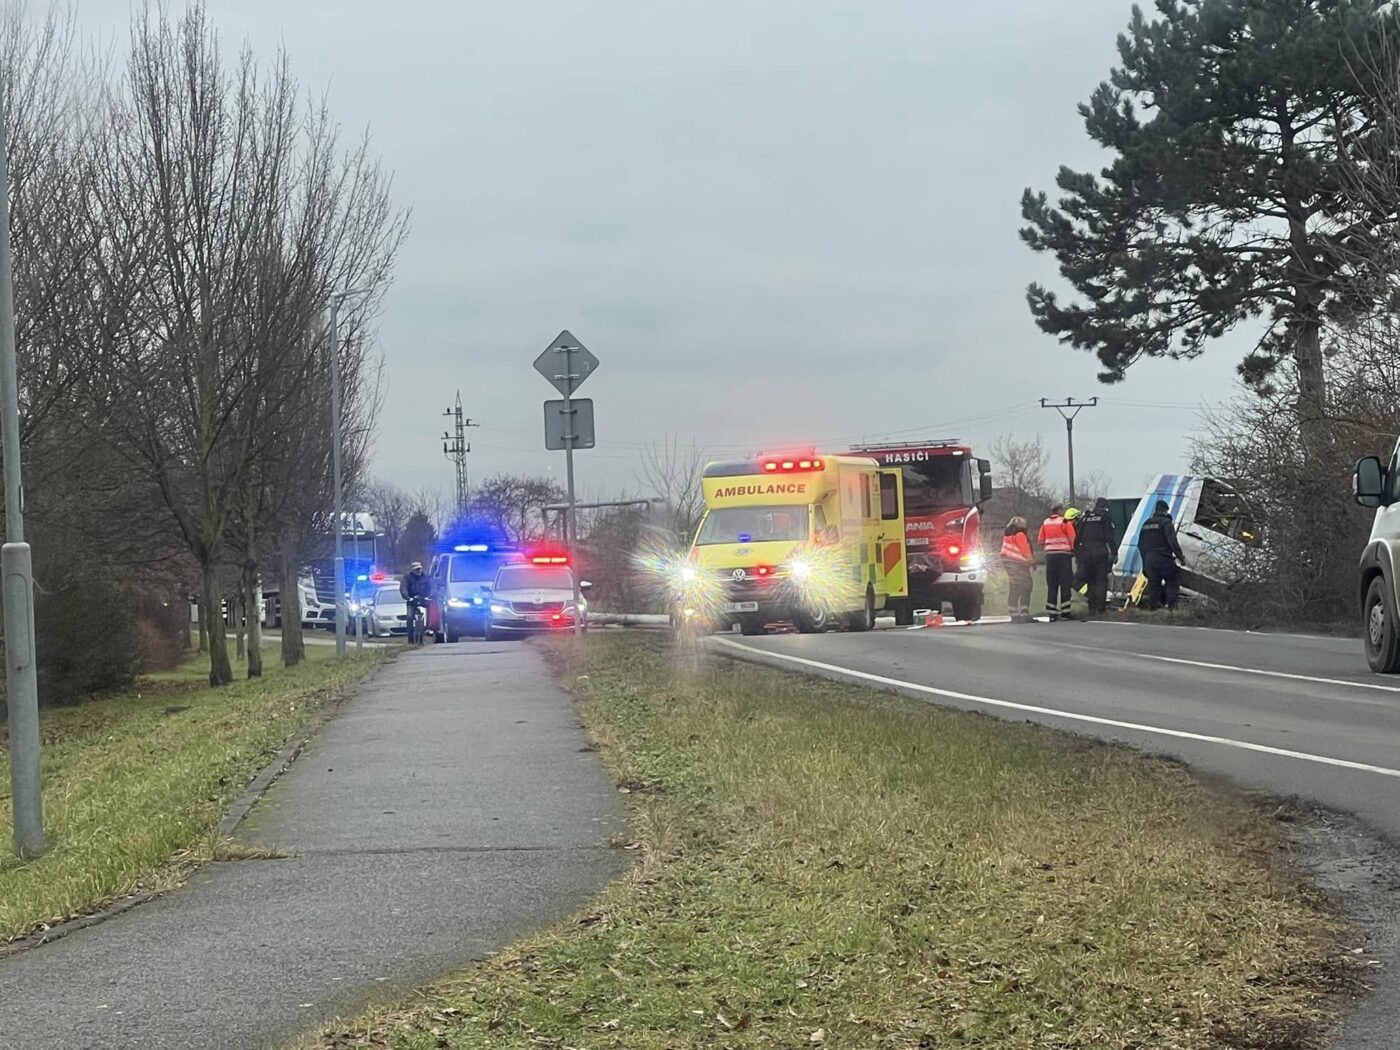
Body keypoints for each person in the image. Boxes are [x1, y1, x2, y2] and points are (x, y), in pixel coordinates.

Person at [1137, 499, 1186, 608]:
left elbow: (1140, 545)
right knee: (1172, 581)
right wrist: (1181, 557)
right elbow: (1172, 541)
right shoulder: (1166, 523)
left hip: (1150, 560)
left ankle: (1153, 610)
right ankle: (1172, 609)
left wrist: (1145, 562)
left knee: (1154, 586)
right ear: (1165, 510)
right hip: (1164, 559)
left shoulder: (1146, 524)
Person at [1074, 497, 1118, 614]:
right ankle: (1100, 609)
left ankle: (1091, 608)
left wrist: (1078, 555)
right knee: (1101, 581)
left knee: (1090, 581)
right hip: (1099, 553)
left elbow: (1077, 537)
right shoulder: (1104, 517)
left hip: (1085, 554)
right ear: (1104, 507)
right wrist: (1114, 553)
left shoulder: (1086, 517)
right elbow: (1110, 537)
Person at [1038, 504, 1076, 621]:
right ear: (1059, 511)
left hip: (1050, 556)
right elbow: (1072, 537)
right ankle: (1065, 612)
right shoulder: (1065, 522)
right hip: (1064, 555)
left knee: (1052, 584)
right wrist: (1072, 548)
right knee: (1065, 583)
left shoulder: (1045, 523)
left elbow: (1040, 540)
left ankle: (1052, 613)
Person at [1000, 516, 1035, 623]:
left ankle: (1014, 614)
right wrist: (1032, 562)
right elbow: (1025, 550)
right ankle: (1024, 613)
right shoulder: (1020, 535)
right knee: (1026, 586)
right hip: (1019, 564)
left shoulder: (1007, 534)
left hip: (1008, 563)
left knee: (1014, 587)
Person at [400, 561, 433, 644]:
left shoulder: (426, 577)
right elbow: (403, 588)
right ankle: (410, 638)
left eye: (420, 569)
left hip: (423, 599)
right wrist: (407, 597)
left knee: (431, 615)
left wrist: (430, 595)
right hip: (412, 600)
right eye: (417, 569)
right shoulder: (406, 578)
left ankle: (429, 630)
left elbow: (431, 587)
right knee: (409, 617)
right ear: (412, 570)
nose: (419, 571)